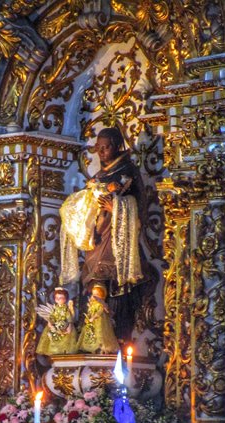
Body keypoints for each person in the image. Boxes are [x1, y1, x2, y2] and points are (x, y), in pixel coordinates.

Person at [60, 127, 149, 341]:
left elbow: (140, 209)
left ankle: (117, 336)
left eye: (106, 147)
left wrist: (115, 207)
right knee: (93, 279)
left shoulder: (128, 172)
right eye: (98, 148)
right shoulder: (99, 176)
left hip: (117, 240)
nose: (101, 152)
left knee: (115, 284)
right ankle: (92, 335)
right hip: (98, 237)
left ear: (117, 147)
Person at [77, 283, 119, 354]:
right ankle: (90, 347)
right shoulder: (92, 304)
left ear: (101, 296)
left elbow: (99, 312)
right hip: (91, 322)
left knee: (100, 333)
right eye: (93, 294)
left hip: (99, 321)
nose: (93, 296)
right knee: (90, 332)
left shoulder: (100, 305)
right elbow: (90, 312)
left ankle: (101, 346)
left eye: (96, 295)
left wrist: (93, 318)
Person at [36, 287, 78, 355]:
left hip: (64, 325)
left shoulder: (66, 309)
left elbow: (69, 317)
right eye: (57, 298)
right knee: (53, 337)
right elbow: (52, 316)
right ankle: (55, 351)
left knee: (65, 339)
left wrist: (69, 325)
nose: (58, 300)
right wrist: (50, 322)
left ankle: (63, 351)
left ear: (65, 299)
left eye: (61, 298)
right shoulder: (55, 308)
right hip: (56, 325)